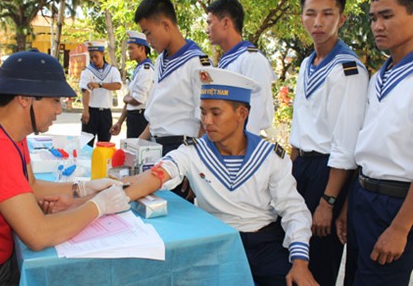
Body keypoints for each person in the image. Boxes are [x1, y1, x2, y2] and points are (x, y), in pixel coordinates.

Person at [0, 51, 130, 285]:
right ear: (25, 99)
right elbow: (38, 235)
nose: (59, 110)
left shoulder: (5, 128)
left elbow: (30, 184)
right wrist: (99, 206)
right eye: (55, 101)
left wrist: (81, 188)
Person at [122, 67, 317, 286]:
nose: (207, 121)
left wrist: (300, 263)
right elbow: (158, 175)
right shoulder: (193, 152)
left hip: (262, 245)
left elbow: (294, 210)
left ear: (242, 114)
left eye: (216, 113)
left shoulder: (270, 157)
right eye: (203, 112)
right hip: (214, 243)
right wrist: (115, 196)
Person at [288, 0, 370, 285]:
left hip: (328, 174)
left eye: (327, 14)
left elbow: (346, 143)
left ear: (342, 19)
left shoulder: (348, 69)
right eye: (311, 14)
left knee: (319, 259)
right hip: (302, 168)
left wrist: (328, 202)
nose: (318, 22)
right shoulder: (308, 63)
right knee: (295, 250)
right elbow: (299, 127)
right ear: (302, 17)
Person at [345, 0, 413, 284]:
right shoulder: (380, 75)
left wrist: (401, 228)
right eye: (373, 18)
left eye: (387, 16)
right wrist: (349, 203)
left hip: (397, 203)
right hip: (363, 195)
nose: (377, 26)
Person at [134, 0, 211, 199]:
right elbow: (158, 113)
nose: (148, 41)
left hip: (181, 150)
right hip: (156, 149)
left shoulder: (197, 63)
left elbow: (206, 121)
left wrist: (196, 165)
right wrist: (135, 147)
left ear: (166, 25)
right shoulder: (160, 61)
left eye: (149, 33)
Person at [206, 0, 275, 135]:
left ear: (226, 23)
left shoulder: (251, 59)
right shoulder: (229, 61)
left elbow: (255, 112)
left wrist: (244, 149)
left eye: (209, 23)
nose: (207, 30)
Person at [110, 30, 154, 138]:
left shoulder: (146, 70)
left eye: (131, 48)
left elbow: (137, 100)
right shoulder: (139, 69)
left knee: (136, 152)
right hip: (134, 117)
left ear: (142, 48)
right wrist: (120, 122)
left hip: (140, 119)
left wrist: (126, 98)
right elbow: (130, 101)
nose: (128, 52)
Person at [79, 41, 122, 147]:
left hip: (105, 113)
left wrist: (100, 85)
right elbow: (85, 91)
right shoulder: (87, 72)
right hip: (91, 112)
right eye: (91, 57)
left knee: (104, 145)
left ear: (103, 54)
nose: (93, 59)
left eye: (96, 56)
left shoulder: (112, 70)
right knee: (86, 146)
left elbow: (117, 85)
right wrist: (85, 111)